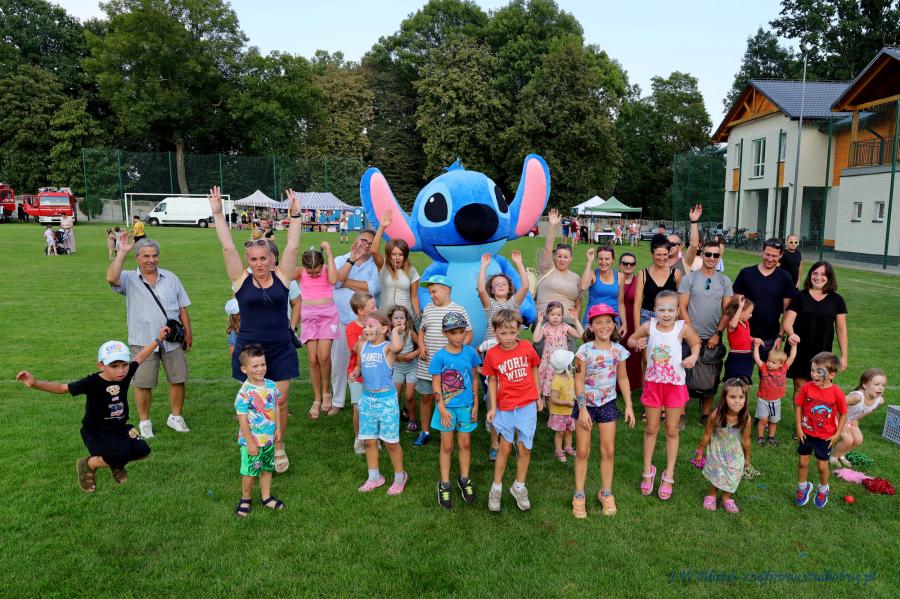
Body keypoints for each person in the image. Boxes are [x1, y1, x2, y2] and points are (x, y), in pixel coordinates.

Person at [208, 185, 299, 472]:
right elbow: (227, 247)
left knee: (279, 401)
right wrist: (218, 214)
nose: (259, 264)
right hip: (250, 351)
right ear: (248, 261)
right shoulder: (240, 280)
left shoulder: (283, 277)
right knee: (253, 404)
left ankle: (278, 445)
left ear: (272, 258)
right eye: (254, 259)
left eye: (264, 258)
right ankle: (253, 443)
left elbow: (293, 246)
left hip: (280, 347)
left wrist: (295, 215)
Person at [16, 331, 167, 492]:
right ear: (101, 366)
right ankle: (88, 463)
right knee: (118, 455)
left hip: (119, 427)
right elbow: (62, 388)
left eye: (124, 364)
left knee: (143, 450)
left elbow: (140, 357)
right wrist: (35, 383)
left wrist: (159, 339)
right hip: (97, 430)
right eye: (114, 366)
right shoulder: (92, 382)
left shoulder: (126, 373)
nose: (121, 371)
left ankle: (116, 464)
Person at [107, 234, 192, 439]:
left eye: (154, 255)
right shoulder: (128, 278)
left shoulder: (171, 278)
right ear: (138, 257)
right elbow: (111, 278)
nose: (151, 260)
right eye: (146, 256)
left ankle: (176, 417)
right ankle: (145, 422)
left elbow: (182, 307)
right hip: (143, 341)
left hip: (172, 341)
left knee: (178, 379)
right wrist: (122, 253)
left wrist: (188, 333)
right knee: (143, 383)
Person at [628, 290, 701, 501]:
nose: (666, 314)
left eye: (670, 310)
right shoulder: (649, 326)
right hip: (653, 384)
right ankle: (647, 470)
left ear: (677, 311)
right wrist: (636, 343)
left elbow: (695, 344)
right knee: (651, 428)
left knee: (671, 429)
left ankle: (669, 474)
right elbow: (631, 340)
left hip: (674, 385)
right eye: (661, 310)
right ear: (654, 310)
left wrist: (694, 357)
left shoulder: (682, 327)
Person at [572, 304, 634, 519]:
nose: (604, 326)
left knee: (608, 451)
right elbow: (578, 381)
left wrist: (629, 405)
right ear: (591, 326)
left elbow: (623, 378)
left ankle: (606, 492)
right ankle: (579, 494)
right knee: (582, 451)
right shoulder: (584, 351)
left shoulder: (618, 350)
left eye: (608, 321)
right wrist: (582, 410)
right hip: (586, 406)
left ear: (614, 325)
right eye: (598, 322)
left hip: (607, 404)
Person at [484, 309, 542, 512]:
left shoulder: (526, 347)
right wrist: (492, 406)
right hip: (505, 407)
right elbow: (492, 381)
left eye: (512, 332)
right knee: (505, 448)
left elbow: (534, 368)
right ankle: (496, 488)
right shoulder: (492, 354)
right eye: (503, 333)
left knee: (525, 448)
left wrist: (538, 396)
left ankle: (519, 486)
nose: (508, 337)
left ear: (518, 330)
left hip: (527, 405)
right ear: (495, 332)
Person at [353, 312, 408, 495]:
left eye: (371, 326)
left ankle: (400, 477)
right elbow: (359, 366)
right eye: (365, 326)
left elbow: (398, 346)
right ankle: (374, 477)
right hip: (367, 400)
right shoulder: (363, 346)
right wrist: (356, 372)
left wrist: (395, 331)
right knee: (369, 441)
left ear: (384, 329)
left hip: (386, 402)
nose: (366, 329)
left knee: (391, 443)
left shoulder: (387, 348)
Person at [430, 312, 482, 509]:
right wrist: (441, 408)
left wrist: (476, 404)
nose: (458, 337)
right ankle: (444, 484)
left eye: (461, 332)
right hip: (446, 410)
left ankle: (464, 479)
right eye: (453, 333)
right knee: (447, 445)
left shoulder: (470, 353)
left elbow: (474, 378)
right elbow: (436, 384)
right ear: (445, 333)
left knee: (465, 443)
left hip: (466, 407)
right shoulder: (439, 357)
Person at [678, 239, 733, 422]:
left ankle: (706, 413)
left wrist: (718, 334)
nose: (711, 258)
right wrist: (691, 333)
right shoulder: (690, 278)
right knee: (684, 372)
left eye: (715, 255)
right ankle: (682, 412)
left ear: (719, 257)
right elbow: (682, 308)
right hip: (689, 335)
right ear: (702, 255)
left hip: (713, 337)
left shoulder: (725, 281)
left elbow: (728, 311)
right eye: (708, 254)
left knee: (712, 374)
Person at [414, 275, 472, 446]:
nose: (431, 295)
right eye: (430, 292)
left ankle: (446, 428)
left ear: (446, 290)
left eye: (434, 291)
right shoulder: (428, 309)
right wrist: (421, 345)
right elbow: (422, 330)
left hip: (449, 368)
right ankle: (425, 431)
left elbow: (469, 332)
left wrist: (459, 349)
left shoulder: (458, 309)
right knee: (426, 397)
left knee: (447, 398)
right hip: (427, 363)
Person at [330, 228, 380, 415]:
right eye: (363, 240)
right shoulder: (340, 259)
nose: (366, 245)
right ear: (356, 240)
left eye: (370, 243)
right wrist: (351, 260)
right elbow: (335, 282)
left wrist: (344, 280)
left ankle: (365, 399)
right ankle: (337, 401)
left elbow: (371, 289)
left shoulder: (375, 265)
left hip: (367, 325)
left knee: (368, 363)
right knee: (339, 363)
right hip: (342, 321)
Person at [782, 261, 848, 397]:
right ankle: (799, 413)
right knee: (800, 388)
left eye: (823, 274)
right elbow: (787, 322)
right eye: (815, 273)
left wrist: (844, 356)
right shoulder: (799, 296)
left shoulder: (837, 300)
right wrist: (791, 334)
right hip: (800, 349)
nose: (818, 277)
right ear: (810, 275)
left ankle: (816, 412)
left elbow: (841, 330)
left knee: (820, 388)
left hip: (823, 351)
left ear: (829, 277)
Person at [233, 345, 285, 518]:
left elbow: (276, 406)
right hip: (252, 442)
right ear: (244, 369)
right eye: (255, 366)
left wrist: (278, 428)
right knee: (250, 472)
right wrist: (249, 442)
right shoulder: (244, 393)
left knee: (267, 469)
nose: (260, 369)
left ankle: (266, 497)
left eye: (263, 364)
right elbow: (242, 419)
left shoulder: (271, 385)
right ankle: (245, 499)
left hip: (268, 439)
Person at [795, 352, 847, 509]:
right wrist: (799, 427)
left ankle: (823, 489)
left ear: (832, 374)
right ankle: (802, 487)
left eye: (819, 372)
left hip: (825, 437)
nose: (814, 375)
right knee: (802, 462)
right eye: (812, 370)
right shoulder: (806, 387)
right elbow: (799, 406)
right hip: (806, 433)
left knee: (821, 465)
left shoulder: (836, 392)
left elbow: (843, 414)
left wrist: (837, 434)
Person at [732, 238, 795, 365]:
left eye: (774, 256)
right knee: (742, 375)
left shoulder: (785, 278)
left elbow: (786, 310)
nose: (770, 259)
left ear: (781, 255)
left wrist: (780, 336)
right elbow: (735, 304)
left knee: (769, 375)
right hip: (745, 336)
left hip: (771, 338)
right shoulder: (746, 273)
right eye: (767, 254)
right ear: (762, 251)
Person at [694, 378, 752, 513]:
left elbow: (746, 440)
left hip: (734, 450)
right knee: (717, 472)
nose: (737, 401)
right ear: (724, 398)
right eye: (732, 397)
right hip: (717, 448)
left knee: (734, 473)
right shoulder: (716, 415)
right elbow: (707, 435)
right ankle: (712, 495)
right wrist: (700, 451)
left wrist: (747, 458)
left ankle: (726, 498)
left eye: (741, 397)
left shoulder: (746, 418)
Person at [297, 242, 339, 420]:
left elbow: (334, 280)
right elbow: (281, 272)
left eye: (317, 271)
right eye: (310, 273)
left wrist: (329, 252)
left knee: (323, 357)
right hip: (309, 319)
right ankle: (317, 398)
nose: (314, 275)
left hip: (327, 317)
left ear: (322, 265)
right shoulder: (300, 272)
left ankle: (326, 391)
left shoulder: (327, 269)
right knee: (312, 359)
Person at [831, 369, 886, 466]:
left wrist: (857, 419)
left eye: (883, 385)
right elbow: (836, 404)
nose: (880, 388)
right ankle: (833, 456)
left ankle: (841, 455)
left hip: (850, 420)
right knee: (848, 440)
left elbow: (869, 410)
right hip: (836, 417)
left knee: (858, 440)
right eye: (877, 384)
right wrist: (841, 421)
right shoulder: (857, 397)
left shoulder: (879, 401)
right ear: (865, 385)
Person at [371, 210, 420, 317]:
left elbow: (414, 297)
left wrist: (418, 316)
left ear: (405, 256)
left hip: (405, 318)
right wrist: (381, 227)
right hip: (385, 316)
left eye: (400, 254)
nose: (397, 258)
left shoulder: (411, 270)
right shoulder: (383, 266)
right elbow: (374, 251)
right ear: (389, 255)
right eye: (394, 254)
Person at [345, 292, 377, 453]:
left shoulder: (378, 325)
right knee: (358, 408)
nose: (376, 309)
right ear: (361, 311)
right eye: (373, 307)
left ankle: (374, 437)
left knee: (374, 408)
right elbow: (356, 349)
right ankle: (359, 438)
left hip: (375, 373)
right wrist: (365, 334)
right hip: (356, 375)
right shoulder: (351, 328)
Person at [533, 302, 582, 404]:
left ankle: (561, 399)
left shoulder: (564, 327)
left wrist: (576, 320)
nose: (555, 317)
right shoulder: (545, 328)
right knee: (549, 382)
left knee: (561, 381)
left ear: (562, 316)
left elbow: (580, 335)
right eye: (552, 314)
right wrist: (539, 323)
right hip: (549, 362)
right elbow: (535, 339)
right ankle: (548, 401)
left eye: (558, 315)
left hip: (562, 361)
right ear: (547, 315)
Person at [536, 209, 581, 319]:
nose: (562, 260)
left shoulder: (576, 277)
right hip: (545, 320)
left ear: (571, 259)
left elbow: (578, 303)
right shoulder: (547, 269)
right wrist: (553, 227)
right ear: (554, 257)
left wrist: (576, 322)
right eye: (559, 256)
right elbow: (547, 249)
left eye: (565, 257)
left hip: (568, 322)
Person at [752, 337, 797, 446]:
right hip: (763, 400)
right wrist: (756, 347)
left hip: (776, 401)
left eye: (773, 362)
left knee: (773, 421)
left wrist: (794, 345)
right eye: (768, 361)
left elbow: (792, 356)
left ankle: (771, 437)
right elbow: (757, 359)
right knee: (763, 420)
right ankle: (760, 437)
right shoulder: (764, 368)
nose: (769, 364)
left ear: (781, 364)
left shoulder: (784, 369)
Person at [477, 249, 529, 343]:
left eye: (504, 284)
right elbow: (481, 290)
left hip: (511, 344)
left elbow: (525, 286)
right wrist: (484, 266)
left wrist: (519, 263)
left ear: (509, 289)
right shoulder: (490, 304)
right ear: (492, 290)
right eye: (497, 284)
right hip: (493, 344)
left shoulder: (513, 303)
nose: (501, 285)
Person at [633, 242, 682, 327]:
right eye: (658, 255)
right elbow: (637, 304)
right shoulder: (643, 274)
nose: (662, 258)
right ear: (652, 254)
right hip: (647, 318)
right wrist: (637, 329)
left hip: (669, 318)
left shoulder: (676, 274)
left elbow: (680, 302)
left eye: (665, 254)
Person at [387, 305, 419, 433]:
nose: (399, 320)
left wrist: (414, 354)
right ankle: (393, 421)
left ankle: (413, 420)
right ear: (391, 320)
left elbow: (422, 346)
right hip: (397, 368)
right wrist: (396, 356)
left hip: (412, 367)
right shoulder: (389, 334)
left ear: (406, 320)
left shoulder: (410, 332)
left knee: (409, 396)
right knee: (395, 396)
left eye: (402, 317)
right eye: (396, 318)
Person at [617, 252, 643, 392]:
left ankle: (632, 382)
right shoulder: (615, 278)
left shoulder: (639, 280)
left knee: (633, 351)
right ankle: (616, 383)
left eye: (631, 263)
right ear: (619, 264)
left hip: (633, 319)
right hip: (618, 319)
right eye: (625, 263)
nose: (628, 266)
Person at [580, 246, 622, 328]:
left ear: (613, 260)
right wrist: (589, 261)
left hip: (612, 321)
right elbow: (583, 286)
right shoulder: (593, 274)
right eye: (600, 259)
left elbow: (621, 303)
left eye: (607, 259)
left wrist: (624, 323)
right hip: (592, 321)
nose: (603, 262)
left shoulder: (619, 276)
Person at [547, 349, 576, 463]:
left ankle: (568, 447)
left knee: (569, 431)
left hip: (569, 411)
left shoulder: (570, 376)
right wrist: (568, 403)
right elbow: (553, 399)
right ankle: (559, 451)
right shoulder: (556, 380)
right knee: (560, 433)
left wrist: (574, 397)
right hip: (559, 413)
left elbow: (572, 389)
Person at [723, 297, 755, 384]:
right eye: (750, 312)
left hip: (747, 357)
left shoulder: (746, 323)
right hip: (736, 357)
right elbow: (733, 325)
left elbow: (745, 337)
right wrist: (740, 307)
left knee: (745, 382)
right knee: (732, 382)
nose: (751, 315)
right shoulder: (732, 323)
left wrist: (755, 339)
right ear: (741, 311)